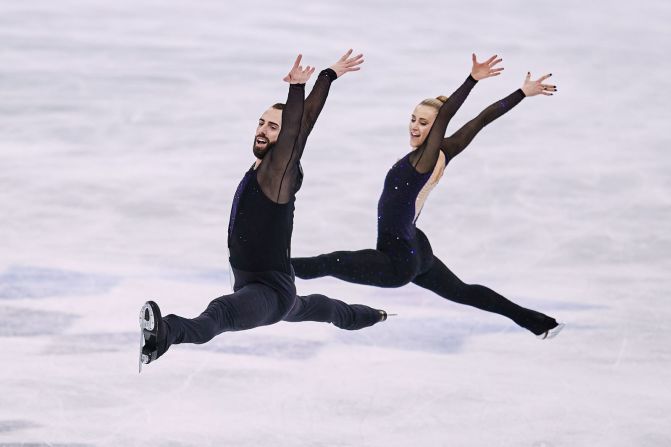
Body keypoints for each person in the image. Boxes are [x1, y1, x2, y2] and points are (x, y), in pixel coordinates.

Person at [139, 51, 388, 371]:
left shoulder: (278, 176)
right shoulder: (261, 170)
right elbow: (297, 127)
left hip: (268, 291)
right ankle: (370, 315)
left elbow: (300, 127)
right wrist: (327, 75)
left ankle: (164, 335)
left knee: (220, 314)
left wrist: (299, 88)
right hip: (264, 287)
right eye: (261, 122)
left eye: (273, 127)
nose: (263, 130)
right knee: (324, 309)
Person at [292, 53, 564, 339]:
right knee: (463, 292)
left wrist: (471, 81)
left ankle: (260, 266)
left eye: (423, 123)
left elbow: (448, 116)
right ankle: (538, 322)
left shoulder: (424, 159)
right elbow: (482, 119)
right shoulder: (447, 150)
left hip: (396, 261)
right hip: (416, 247)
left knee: (327, 263)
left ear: (436, 130)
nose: (414, 126)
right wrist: (521, 92)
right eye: (413, 119)